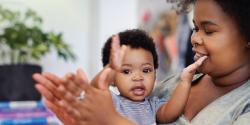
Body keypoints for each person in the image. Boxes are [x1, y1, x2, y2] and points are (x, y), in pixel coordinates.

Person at [33, 0, 250, 124]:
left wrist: (110, 119)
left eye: (209, 30)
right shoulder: (173, 84)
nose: (194, 38)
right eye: (195, 28)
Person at [33, 29, 206, 125]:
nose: (138, 77)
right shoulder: (112, 101)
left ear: (155, 72)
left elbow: (170, 113)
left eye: (146, 70)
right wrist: (110, 68)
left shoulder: (152, 106)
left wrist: (185, 80)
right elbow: (95, 89)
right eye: (126, 71)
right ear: (113, 79)